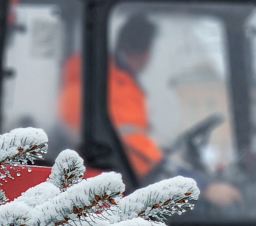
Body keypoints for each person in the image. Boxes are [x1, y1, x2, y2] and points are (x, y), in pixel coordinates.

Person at [58, 13, 242, 207]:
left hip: (105, 190)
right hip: (114, 200)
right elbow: (142, 161)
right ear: (146, 52)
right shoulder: (113, 87)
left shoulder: (92, 81)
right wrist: (202, 186)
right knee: (216, 210)